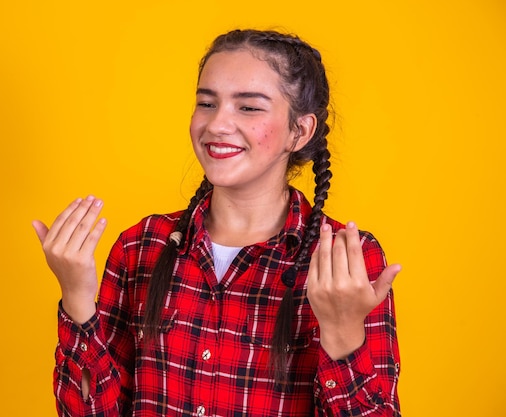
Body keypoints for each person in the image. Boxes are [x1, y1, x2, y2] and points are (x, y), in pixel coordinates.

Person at [33, 29, 402, 417]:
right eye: (207, 103)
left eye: (249, 107)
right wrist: (76, 297)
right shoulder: (141, 246)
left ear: (300, 130)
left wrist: (343, 334)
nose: (217, 125)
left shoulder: (344, 259)